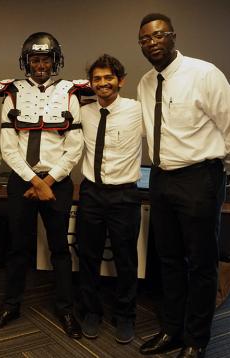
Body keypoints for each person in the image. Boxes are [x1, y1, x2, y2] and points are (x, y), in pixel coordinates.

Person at [137, 13, 230, 358]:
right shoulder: (144, 83)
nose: (152, 43)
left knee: (200, 263)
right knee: (167, 260)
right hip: (161, 178)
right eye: (145, 39)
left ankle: (196, 339)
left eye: (158, 35)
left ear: (172, 36)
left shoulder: (204, 73)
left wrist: (216, 170)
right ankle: (172, 330)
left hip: (200, 178)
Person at [0, 32, 85, 339]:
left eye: (46, 59)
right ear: (26, 62)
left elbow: (75, 144)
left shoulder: (71, 93)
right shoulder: (12, 93)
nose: (40, 65)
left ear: (55, 61)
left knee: (60, 248)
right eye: (35, 59)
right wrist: (33, 180)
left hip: (58, 182)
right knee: (17, 247)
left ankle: (66, 308)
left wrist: (49, 181)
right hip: (23, 181)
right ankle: (11, 305)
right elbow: (8, 145)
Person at [76, 54, 142, 344]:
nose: (103, 83)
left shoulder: (137, 110)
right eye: (97, 79)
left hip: (124, 195)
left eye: (108, 78)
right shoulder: (83, 111)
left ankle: (125, 316)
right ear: (91, 83)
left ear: (121, 80)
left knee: (126, 259)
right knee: (88, 256)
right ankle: (91, 312)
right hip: (91, 193)